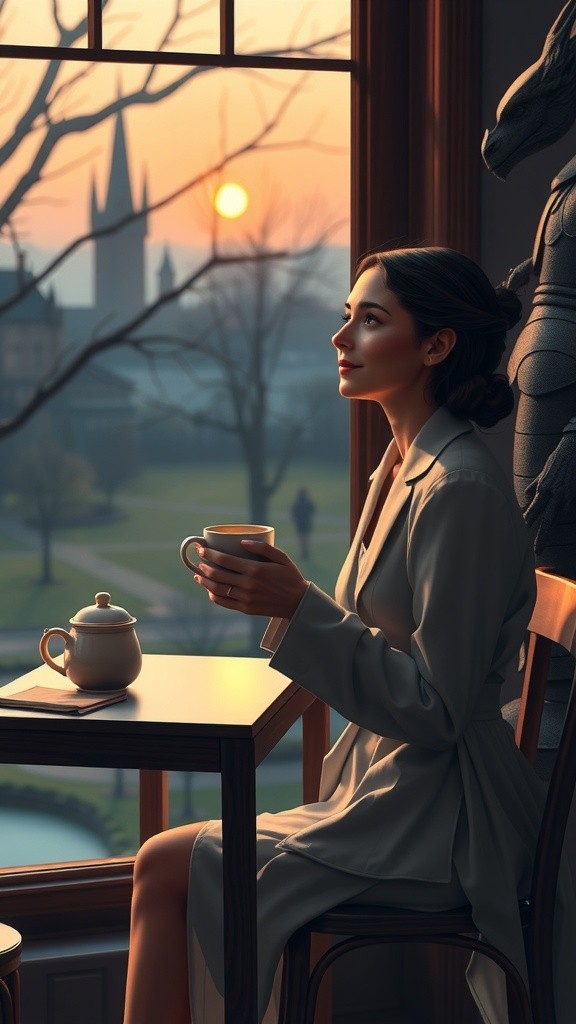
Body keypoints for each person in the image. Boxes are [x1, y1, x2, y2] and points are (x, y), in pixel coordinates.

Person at [122, 246, 576, 1024]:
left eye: (371, 320)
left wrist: (298, 605)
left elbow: (439, 708)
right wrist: (283, 603)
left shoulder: (458, 487)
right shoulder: (401, 464)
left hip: (442, 818)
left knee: (164, 863)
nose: (342, 338)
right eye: (345, 318)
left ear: (436, 346)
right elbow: (362, 637)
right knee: (162, 862)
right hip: (386, 795)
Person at [290, 486, 316, 558]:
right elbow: (313, 510)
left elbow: (294, 512)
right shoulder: (308, 502)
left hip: (300, 523)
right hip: (306, 522)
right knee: (305, 537)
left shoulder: (297, 502)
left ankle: (303, 550)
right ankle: (305, 550)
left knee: (302, 537)